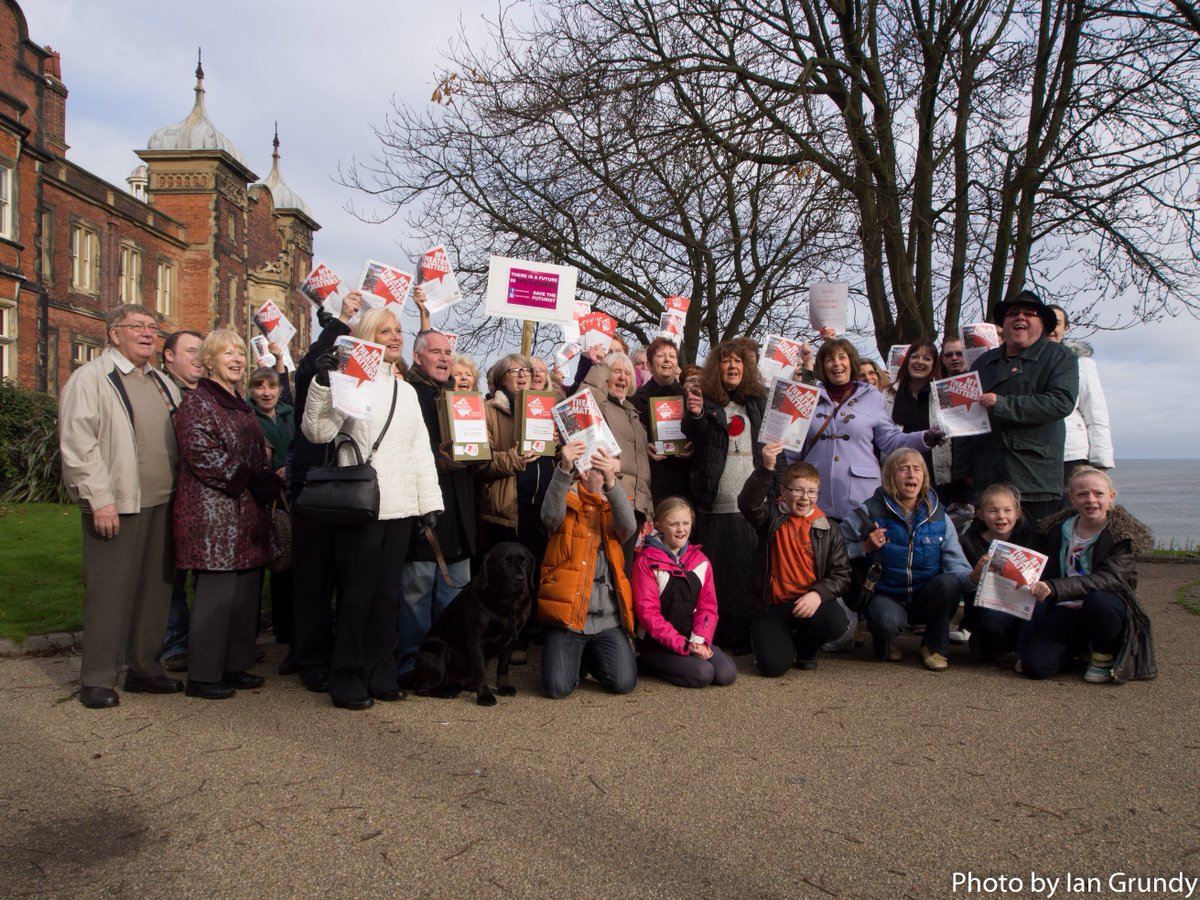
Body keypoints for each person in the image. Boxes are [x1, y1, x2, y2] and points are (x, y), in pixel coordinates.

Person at [303, 306, 443, 709]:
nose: (395, 336)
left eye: (398, 330)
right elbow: (317, 431)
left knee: (386, 597)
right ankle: (346, 678)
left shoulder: (407, 391)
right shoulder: (349, 381)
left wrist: (428, 505)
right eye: (385, 331)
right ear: (366, 336)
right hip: (361, 507)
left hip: (400, 507)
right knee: (357, 596)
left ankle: (380, 672)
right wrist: (322, 383)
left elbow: (420, 451)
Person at [59, 304, 184, 708]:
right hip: (117, 504)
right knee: (110, 592)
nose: (148, 333)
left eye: (153, 327)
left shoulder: (164, 383)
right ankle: (97, 677)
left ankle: (145, 669)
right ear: (114, 334)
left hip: (164, 502)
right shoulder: (91, 379)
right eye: (137, 327)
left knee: (155, 591)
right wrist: (99, 500)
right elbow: (79, 445)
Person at [173, 330, 279, 700]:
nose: (236, 359)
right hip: (213, 514)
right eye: (226, 353)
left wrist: (264, 476)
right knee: (215, 599)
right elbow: (201, 452)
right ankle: (203, 675)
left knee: (244, 596)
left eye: (239, 353)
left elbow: (253, 451)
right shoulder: (198, 402)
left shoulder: (240, 402)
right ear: (209, 361)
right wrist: (249, 479)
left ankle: (235, 665)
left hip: (246, 513)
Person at [840, 449, 973, 670]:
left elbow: (956, 565)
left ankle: (932, 647)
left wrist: (973, 577)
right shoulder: (868, 511)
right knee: (886, 623)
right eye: (904, 469)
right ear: (891, 475)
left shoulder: (939, 516)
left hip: (924, 595)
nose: (911, 474)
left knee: (949, 583)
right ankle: (886, 639)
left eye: (917, 469)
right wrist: (864, 547)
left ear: (924, 477)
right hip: (885, 594)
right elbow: (834, 551)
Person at [288, 290, 361, 693]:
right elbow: (311, 370)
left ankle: (335, 653)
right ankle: (310, 657)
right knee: (313, 582)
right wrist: (340, 321)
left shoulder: (360, 388)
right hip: (314, 487)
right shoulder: (312, 380)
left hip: (350, 490)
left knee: (346, 579)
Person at [955, 289, 1079, 523]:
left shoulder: (1059, 357)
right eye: (1013, 313)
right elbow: (964, 420)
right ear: (1004, 324)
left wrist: (1002, 404)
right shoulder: (983, 362)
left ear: (1042, 324)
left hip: (1034, 479)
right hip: (987, 479)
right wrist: (964, 470)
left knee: (1034, 551)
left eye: (1029, 313)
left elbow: (1061, 402)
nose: (1020, 317)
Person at [1021, 468, 1156, 683]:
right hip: (1066, 607)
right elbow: (1038, 564)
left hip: (1107, 606)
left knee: (1098, 602)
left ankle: (1103, 653)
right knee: (1034, 667)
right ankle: (1078, 646)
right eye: (1082, 494)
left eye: (1098, 494)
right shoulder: (1056, 529)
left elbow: (1111, 579)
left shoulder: (1121, 535)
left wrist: (1055, 587)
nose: (1091, 500)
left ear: (1111, 496)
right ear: (1071, 498)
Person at [398, 330, 478, 674]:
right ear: (418, 357)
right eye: (436, 352)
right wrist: (438, 460)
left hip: (458, 512)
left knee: (454, 594)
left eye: (448, 352)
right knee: (416, 592)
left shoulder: (462, 399)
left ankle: (451, 663)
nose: (445, 358)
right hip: (422, 510)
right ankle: (412, 665)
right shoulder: (407, 396)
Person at [789, 337, 939, 522]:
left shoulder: (873, 397)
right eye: (830, 359)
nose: (837, 364)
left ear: (851, 362)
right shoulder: (807, 396)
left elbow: (891, 441)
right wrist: (788, 484)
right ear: (822, 366)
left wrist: (925, 437)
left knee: (860, 549)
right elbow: (793, 448)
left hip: (861, 497)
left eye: (842, 357)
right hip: (813, 494)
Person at [681, 339, 769, 653]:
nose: (732, 366)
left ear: (747, 368)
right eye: (726, 361)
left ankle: (744, 632)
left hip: (750, 501)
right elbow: (695, 430)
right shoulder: (705, 400)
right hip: (715, 501)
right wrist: (695, 414)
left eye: (738, 361)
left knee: (746, 568)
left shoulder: (758, 401)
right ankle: (714, 630)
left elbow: (773, 443)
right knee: (715, 571)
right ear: (716, 367)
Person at [738, 445, 852, 676]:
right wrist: (766, 468)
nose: (805, 497)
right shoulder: (770, 518)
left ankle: (806, 650)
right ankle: (769, 643)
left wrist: (818, 593)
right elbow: (747, 503)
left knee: (837, 622)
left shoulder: (829, 528)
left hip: (807, 602)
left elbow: (841, 574)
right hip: (772, 605)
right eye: (798, 490)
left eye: (811, 492)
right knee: (772, 668)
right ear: (784, 491)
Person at [538, 443, 638, 698]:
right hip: (569, 620)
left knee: (623, 683)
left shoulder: (612, 504)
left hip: (607, 622)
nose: (607, 474)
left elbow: (628, 527)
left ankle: (590, 656)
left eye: (610, 468)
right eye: (600, 470)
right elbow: (549, 517)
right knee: (557, 688)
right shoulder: (566, 498)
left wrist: (611, 483)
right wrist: (563, 468)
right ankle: (574, 658)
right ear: (584, 473)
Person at [631, 496, 736, 688]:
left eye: (686, 523)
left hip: (692, 638)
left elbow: (708, 608)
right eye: (674, 524)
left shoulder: (700, 560)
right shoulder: (646, 561)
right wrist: (684, 646)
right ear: (659, 526)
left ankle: (693, 656)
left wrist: (700, 642)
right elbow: (649, 615)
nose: (681, 529)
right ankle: (649, 664)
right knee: (703, 675)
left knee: (726, 674)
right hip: (658, 643)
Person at [158, 328, 204, 673]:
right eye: (190, 351)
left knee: (201, 575)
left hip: (199, 500)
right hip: (165, 495)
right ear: (169, 355)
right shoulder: (157, 390)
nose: (198, 358)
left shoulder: (202, 393)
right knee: (169, 577)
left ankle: (205, 642)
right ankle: (173, 644)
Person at [958, 483, 1039, 662]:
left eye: (1007, 510)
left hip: (1022, 605)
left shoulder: (1030, 539)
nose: (1001, 516)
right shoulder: (969, 543)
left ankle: (1017, 649)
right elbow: (962, 585)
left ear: (1017, 513)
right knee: (993, 621)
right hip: (986, 610)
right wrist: (975, 575)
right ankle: (991, 645)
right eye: (993, 511)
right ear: (980, 514)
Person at [248, 366, 296, 654]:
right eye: (260, 387)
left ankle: (285, 627)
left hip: (288, 495)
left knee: (286, 558)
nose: (266, 392)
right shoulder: (248, 415)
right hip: (261, 493)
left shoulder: (289, 414)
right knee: (256, 566)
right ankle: (248, 634)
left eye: (272, 387)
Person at [584, 350, 654, 528]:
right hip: (608, 501)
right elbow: (584, 406)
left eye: (628, 373)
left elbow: (642, 471)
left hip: (635, 508)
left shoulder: (634, 414)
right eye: (617, 371)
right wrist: (600, 368)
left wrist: (648, 512)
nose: (623, 376)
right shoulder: (601, 405)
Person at [478, 354, 541, 549]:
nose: (522, 375)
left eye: (527, 371)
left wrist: (554, 447)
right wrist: (514, 459)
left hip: (539, 512)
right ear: (501, 378)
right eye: (514, 371)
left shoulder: (542, 409)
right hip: (507, 513)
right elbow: (480, 462)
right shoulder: (485, 410)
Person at [1048, 305, 1114, 485]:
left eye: (1057, 323)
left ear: (1065, 328)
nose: (1051, 328)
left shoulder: (1081, 363)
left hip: (1072, 453)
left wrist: (1100, 462)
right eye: (1046, 322)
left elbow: (1096, 412)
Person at [631, 337, 693, 506]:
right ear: (650, 364)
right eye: (661, 356)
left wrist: (694, 446)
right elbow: (628, 440)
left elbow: (701, 433)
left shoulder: (689, 398)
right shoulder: (635, 400)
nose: (667, 360)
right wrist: (644, 450)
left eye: (672, 356)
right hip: (651, 482)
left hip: (683, 480)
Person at [884, 339, 945, 485]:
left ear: (934, 365)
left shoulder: (942, 395)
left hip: (934, 476)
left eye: (927, 358)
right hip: (897, 476)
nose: (920, 362)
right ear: (907, 361)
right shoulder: (887, 394)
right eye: (915, 356)